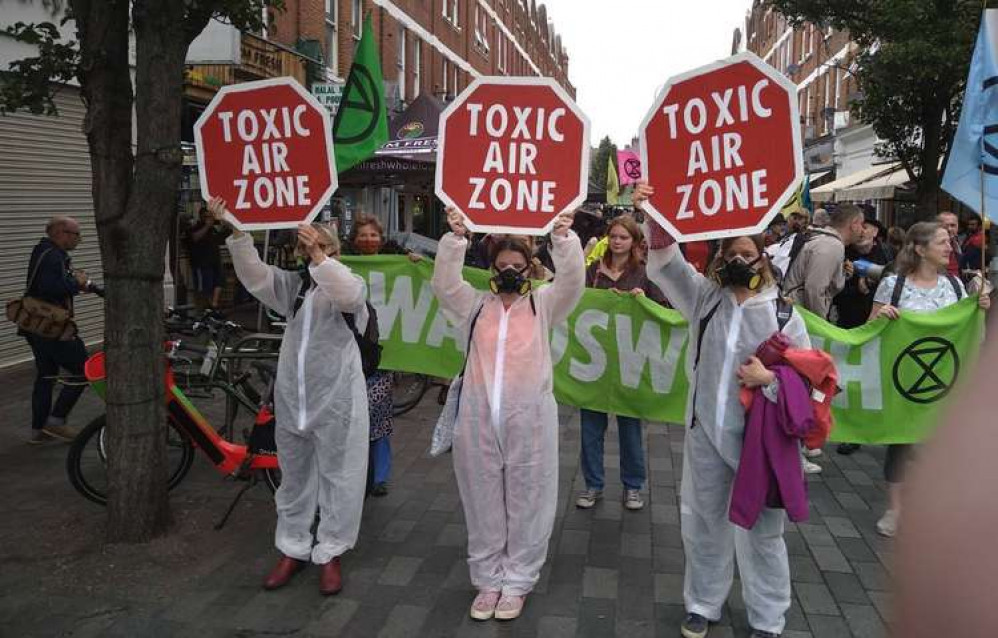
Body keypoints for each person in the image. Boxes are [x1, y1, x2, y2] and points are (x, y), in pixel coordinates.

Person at [635, 182, 810, 638]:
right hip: (706, 435)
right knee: (702, 521)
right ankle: (703, 603)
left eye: (746, 252)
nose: (737, 261)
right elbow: (668, 266)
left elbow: (809, 381)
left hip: (761, 442)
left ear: (762, 259)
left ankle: (768, 617)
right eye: (730, 252)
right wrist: (655, 212)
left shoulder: (786, 315)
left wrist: (769, 380)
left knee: (763, 533)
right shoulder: (705, 300)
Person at [208, 198, 369, 596]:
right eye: (305, 248)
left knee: (339, 477)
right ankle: (293, 547)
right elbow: (255, 276)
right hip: (293, 402)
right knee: (293, 480)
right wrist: (239, 232)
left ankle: (330, 551)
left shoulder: (348, 283)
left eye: (320, 246)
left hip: (337, 403)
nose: (309, 255)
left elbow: (347, 295)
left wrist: (319, 256)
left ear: (333, 251)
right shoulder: (294, 289)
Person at [432, 207, 584, 622]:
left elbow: (573, 282)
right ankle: (487, 579)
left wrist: (564, 239)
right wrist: (456, 240)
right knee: (481, 500)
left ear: (530, 269)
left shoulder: (543, 305)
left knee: (529, 499)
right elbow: (444, 285)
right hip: (477, 422)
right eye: (503, 266)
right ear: (492, 268)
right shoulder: (475, 306)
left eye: (518, 266)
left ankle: (517, 581)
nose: (511, 272)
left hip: (530, 422)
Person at [868, 222, 990, 538]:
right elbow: (869, 331)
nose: (950, 246)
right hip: (904, 382)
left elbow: (966, 332)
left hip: (943, 382)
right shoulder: (892, 285)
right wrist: (882, 318)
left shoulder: (955, 286)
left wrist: (980, 309)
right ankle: (895, 509)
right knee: (901, 443)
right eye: (942, 242)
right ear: (920, 249)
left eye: (949, 241)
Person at [575, 215, 669, 512]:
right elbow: (569, 299)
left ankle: (633, 487)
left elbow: (665, 309)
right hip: (594, 364)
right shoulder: (592, 272)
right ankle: (593, 484)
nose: (617, 242)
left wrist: (645, 301)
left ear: (633, 242)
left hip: (631, 364)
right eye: (613, 236)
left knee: (630, 430)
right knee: (590, 429)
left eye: (623, 237)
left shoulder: (645, 274)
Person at [348, 214, 421, 497]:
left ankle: (378, 476)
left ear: (381, 237)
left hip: (381, 359)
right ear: (354, 240)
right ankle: (354, 473)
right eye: (363, 235)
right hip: (348, 357)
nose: (368, 240)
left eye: (373, 235)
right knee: (350, 420)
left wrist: (414, 264)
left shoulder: (397, 264)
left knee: (378, 418)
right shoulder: (341, 266)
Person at [22, 217, 96, 444]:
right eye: (76, 235)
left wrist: (89, 286)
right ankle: (56, 422)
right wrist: (76, 283)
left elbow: (48, 286)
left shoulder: (44, 251)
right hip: (51, 326)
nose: (79, 240)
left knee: (46, 376)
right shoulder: (53, 256)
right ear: (61, 233)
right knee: (83, 369)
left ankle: (39, 430)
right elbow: (50, 287)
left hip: (34, 324)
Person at [834, 211, 894, 456]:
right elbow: (834, 291)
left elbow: (894, 285)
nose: (862, 230)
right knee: (849, 381)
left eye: (867, 227)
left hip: (879, 326)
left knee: (876, 379)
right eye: (860, 226)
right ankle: (851, 432)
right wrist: (853, 288)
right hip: (850, 322)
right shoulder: (843, 253)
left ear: (875, 232)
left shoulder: (887, 255)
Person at [188, 205, 227, 310]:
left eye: (211, 217)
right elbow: (195, 238)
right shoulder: (196, 227)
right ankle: (202, 309)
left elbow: (221, 238)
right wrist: (206, 226)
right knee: (204, 287)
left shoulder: (213, 229)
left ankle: (214, 305)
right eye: (206, 216)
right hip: (202, 263)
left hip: (215, 261)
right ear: (201, 217)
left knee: (219, 282)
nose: (209, 219)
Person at [936, 211, 962, 278]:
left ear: (957, 226)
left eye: (953, 225)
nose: (949, 229)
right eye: (945, 226)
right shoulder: (932, 245)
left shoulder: (957, 243)